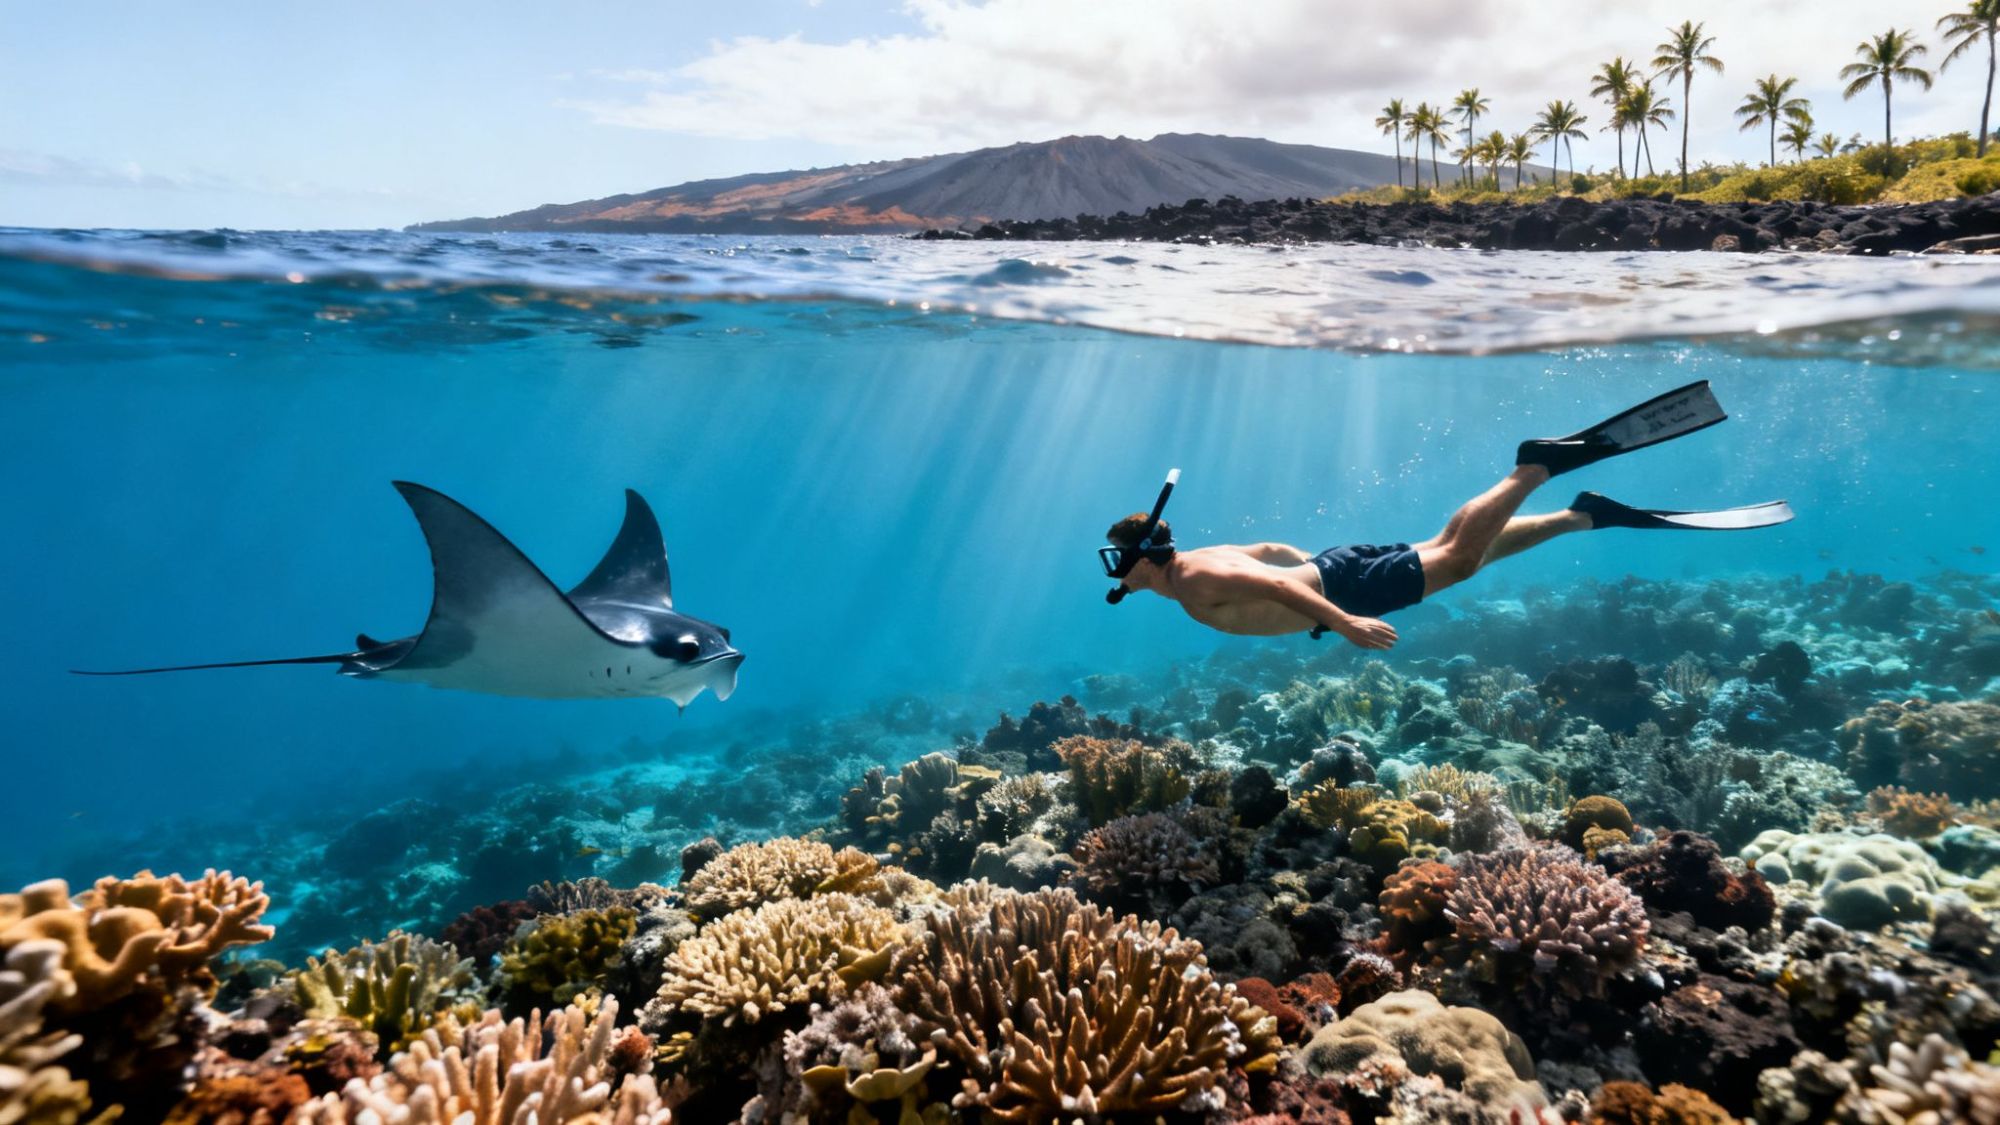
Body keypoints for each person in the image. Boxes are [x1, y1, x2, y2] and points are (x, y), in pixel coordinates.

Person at [1099, 381, 1792, 650]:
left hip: (1339, 590)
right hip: (1337, 563)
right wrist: (1320, 588)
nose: (1115, 573)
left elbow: (1283, 587)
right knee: (1460, 544)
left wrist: (1342, 624)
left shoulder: (1189, 585)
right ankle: (1584, 516)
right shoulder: (1200, 558)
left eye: (1116, 558)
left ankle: (1536, 465)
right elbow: (1277, 552)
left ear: (1141, 556)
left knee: (1460, 557)